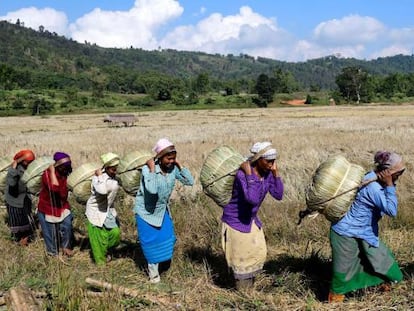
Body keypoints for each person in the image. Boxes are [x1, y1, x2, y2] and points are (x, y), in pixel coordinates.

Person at [328, 151, 405, 303]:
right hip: (345, 232)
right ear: (387, 172)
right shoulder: (373, 188)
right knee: (343, 272)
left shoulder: (370, 176)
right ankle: (334, 301)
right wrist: (390, 185)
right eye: (398, 173)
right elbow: (392, 211)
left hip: (363, 232)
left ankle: (382, 287)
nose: (399, 176)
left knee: (380, 259)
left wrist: (389, 183)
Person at [221, 142, 284, 290]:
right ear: (258, 159)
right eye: (268, 161)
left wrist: (276, 174)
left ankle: (249, 288)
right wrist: (249, 174)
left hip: (251, 219)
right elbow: (253, 199)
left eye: (273, 161)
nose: (271, 164)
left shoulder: (267, 174)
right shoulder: (242, 175)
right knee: (241, 259)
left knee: (256, 252)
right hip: (236, 221)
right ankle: (243, 292)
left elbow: (279, 194)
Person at [134, 138, 194, 283]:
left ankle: (163, 267)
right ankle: (154, 278)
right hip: (146, 213)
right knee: (151, 244)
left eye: (173, 158)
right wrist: (152, 169)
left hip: (161, 211)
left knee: (169, 238)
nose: (171, 161)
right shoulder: (147, 170)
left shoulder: (173, 169)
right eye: (168, 158)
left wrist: (179, 165)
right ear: (160, 157)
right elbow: (152, 190)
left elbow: (190, 181)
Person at [86, 152, 121, 265]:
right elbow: (102, 191)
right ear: (106, 167)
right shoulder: (98, 178)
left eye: (116, 168)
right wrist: (99, 175)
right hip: (96, 212)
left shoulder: (115, 177)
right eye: (112, 169)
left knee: (115, 234)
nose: (115, 171)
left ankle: (106, 249)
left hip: (108, 211)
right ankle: (101, 264)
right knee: (97, 239)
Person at [37, 151, 74, 257]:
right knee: (50, 231)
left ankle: (66, 246)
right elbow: (54, 188)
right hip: (48, 207)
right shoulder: (47, 175)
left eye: (67, 166)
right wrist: (52, 172)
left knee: (67, 225)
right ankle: (52, 252)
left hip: (62, 206)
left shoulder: (65, 173)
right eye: (63, 166)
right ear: (57, 165)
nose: (66, 168)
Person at [5, 149, 36, 246]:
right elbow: (11, 183)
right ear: (22, 161)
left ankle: (24, 240)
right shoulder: (14, 170)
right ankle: (18, 240)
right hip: (14, 200)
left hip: (24, 199)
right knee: (17, 221)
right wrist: (13, 168)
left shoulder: (28, 169)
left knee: (25, 221)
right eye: (28, 162)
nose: (29, 164)